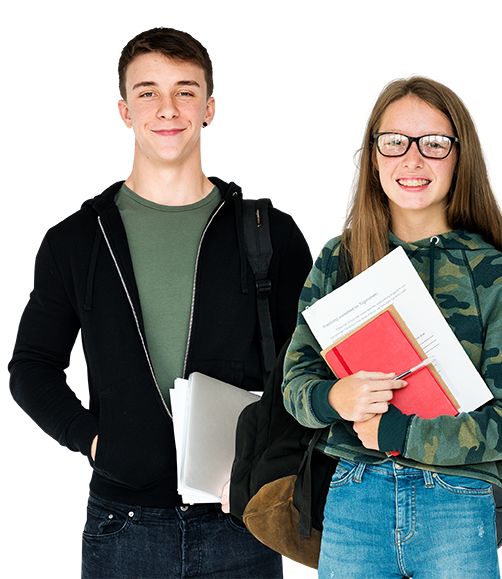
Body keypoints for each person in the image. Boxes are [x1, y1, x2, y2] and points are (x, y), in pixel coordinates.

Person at [8, 26, 312, 579]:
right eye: (147, 92)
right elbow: (31, 366)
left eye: (185, 90)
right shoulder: (77, 240)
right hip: (123, 527)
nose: (167, 108)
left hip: (243, 519)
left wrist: (274, 464)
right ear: (125, 111)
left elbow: (310, 367)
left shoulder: (270, 233)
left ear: (209, 108)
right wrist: (92, 439)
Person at [282, 77, 502, 578]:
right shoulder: (339, 259)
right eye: (395, 142)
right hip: (353, 499)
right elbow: (294, 385)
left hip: (456, 502)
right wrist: (335, 399)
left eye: (435, 144)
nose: (413, 159)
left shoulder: (494, 274)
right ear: (374, 154)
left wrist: (402, 432)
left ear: (458, 156)